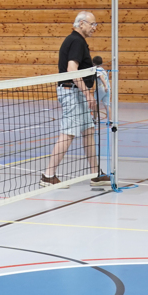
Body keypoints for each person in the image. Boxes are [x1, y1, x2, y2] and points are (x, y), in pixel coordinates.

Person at [41, 12, 108, 187]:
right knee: (69, 132)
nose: (95, 28)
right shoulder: (76, 41)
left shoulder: (78, 41)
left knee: (88, 131)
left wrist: (95, 74)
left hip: (78, 92)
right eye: (92, 24)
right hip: (72, 92)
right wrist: (87, 94)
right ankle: (48, 176)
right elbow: (72, 70)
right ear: (81, 24)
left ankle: (96, 174)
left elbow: (81, 69)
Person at [91, 55, 112, 122]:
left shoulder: (97, 70)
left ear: (94, 63)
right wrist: (107, 87)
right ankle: (110, 120)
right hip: (108, 89)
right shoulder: (103, 70)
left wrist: (105, 85)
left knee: (95, 104)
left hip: (101, 88)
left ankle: (94, 119)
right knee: (107, 105)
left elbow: (101, 78)